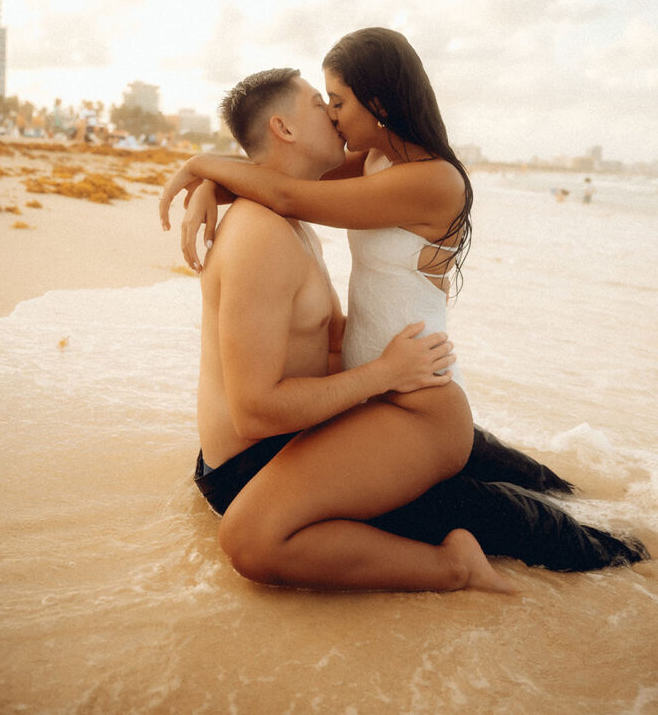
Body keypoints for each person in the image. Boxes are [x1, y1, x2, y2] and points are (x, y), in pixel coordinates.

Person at [160, 33, 648, 581]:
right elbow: (281, 182)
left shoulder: (429, 179)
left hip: (409, 389)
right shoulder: (365, 165)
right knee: (519, 481)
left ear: (381, 103)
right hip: (384, 386)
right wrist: (212, 183)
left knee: (493, 511)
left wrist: (202, 165)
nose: (335, 117)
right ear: (289, 127)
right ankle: (602, 506)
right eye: (324, 104)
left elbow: (293, 194)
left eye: (337, 101)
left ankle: (633, 554)